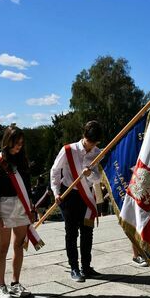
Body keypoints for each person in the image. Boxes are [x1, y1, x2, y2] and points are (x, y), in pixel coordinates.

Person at [51, 121, 103, 282]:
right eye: (89, 142)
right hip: (69, 196)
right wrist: (55, 192)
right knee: (71, 233)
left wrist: (90, 174)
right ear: (84, 136)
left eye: (94, 143)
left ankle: (86, 267)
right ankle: (74, 268)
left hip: (87, 197)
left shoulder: (98, 152)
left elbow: (99, 177)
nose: (90, 146)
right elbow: (54, 170)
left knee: (88, 232)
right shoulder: (68, 150)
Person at [0, 124, 33, 298]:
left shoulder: (23, 160)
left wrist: (31, 208)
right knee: (3, 248)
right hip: (4, 206)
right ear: (7, 141)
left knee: (19, 245)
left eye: (21, 143)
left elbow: (28, 188)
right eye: (15, 143)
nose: (18, 146)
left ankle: (15, 283)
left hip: (21, 206)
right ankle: (1, 286)